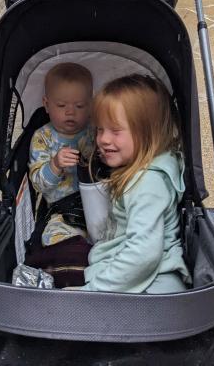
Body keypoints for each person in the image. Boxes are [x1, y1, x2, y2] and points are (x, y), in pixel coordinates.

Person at [82, 74, 191, 294]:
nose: (103, 139)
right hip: (136, 276)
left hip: (149, 287)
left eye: (115, 131)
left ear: (147, 132)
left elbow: (143, 254)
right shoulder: (152, 169)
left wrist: (93, 292)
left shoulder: (147, 183)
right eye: (100, 129)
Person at [28, 62, 94, 246]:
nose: (70, 112)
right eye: (61, 105)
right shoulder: (43, 138)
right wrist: (54, 165)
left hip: (99, 202)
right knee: (52, 238)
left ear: (90, 105)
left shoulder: (96, 132)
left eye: (79, 106)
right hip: (63, 211)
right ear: (47, 105)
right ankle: (77, 253)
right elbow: (38, 184)